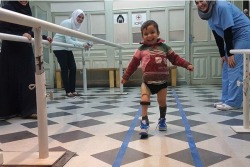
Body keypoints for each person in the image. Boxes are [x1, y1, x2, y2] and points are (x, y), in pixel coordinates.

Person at [121, 20, 194, 138]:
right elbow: (133, 64)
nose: (149, 36)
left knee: (162, 102)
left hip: (162, 83)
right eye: (146, 34)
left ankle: (162, 119)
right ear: (142, 36)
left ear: (158, 33)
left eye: (152, 32)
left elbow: (175, 59)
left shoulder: (164, 47)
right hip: (147, 83)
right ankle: (144, 122)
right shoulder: (140, 50)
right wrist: (125, 76)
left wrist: (187, 64)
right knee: (144, 99)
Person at [0, 1, 52, 120]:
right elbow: (3, 29)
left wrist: (42, 37)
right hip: (11, 49)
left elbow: (28, 31)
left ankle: (28, 110)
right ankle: (11, 111)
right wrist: (20, 34)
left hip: (24, 48)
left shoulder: (28, 9)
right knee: (10, 79)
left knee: (28, 78)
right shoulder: (8, 7)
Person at [195, 0, 250, 111]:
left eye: (201, 0)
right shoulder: (209, 14)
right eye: (196, 2)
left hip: (244, 34)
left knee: (234, 66)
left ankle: (234, 102)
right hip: (232, 37)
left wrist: (230, 54)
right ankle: (225, 99)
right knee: (226, 67)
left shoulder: (222, 6)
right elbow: (217, 35)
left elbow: (228, 30)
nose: (200, 4)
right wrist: (222, 55)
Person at [52, 9, 91, 97]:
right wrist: (83, 44)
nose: (80, 19)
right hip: (59, 47)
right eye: (79, 17)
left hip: (66, 47)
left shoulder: (75, 26)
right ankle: (67, 91)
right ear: (74, 16)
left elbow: (74, 40)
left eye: (82, 18)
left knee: (73, 67)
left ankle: (72, 90)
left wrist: (84, 45)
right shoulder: (68, 23)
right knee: (65, 68)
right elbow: (69, 40)